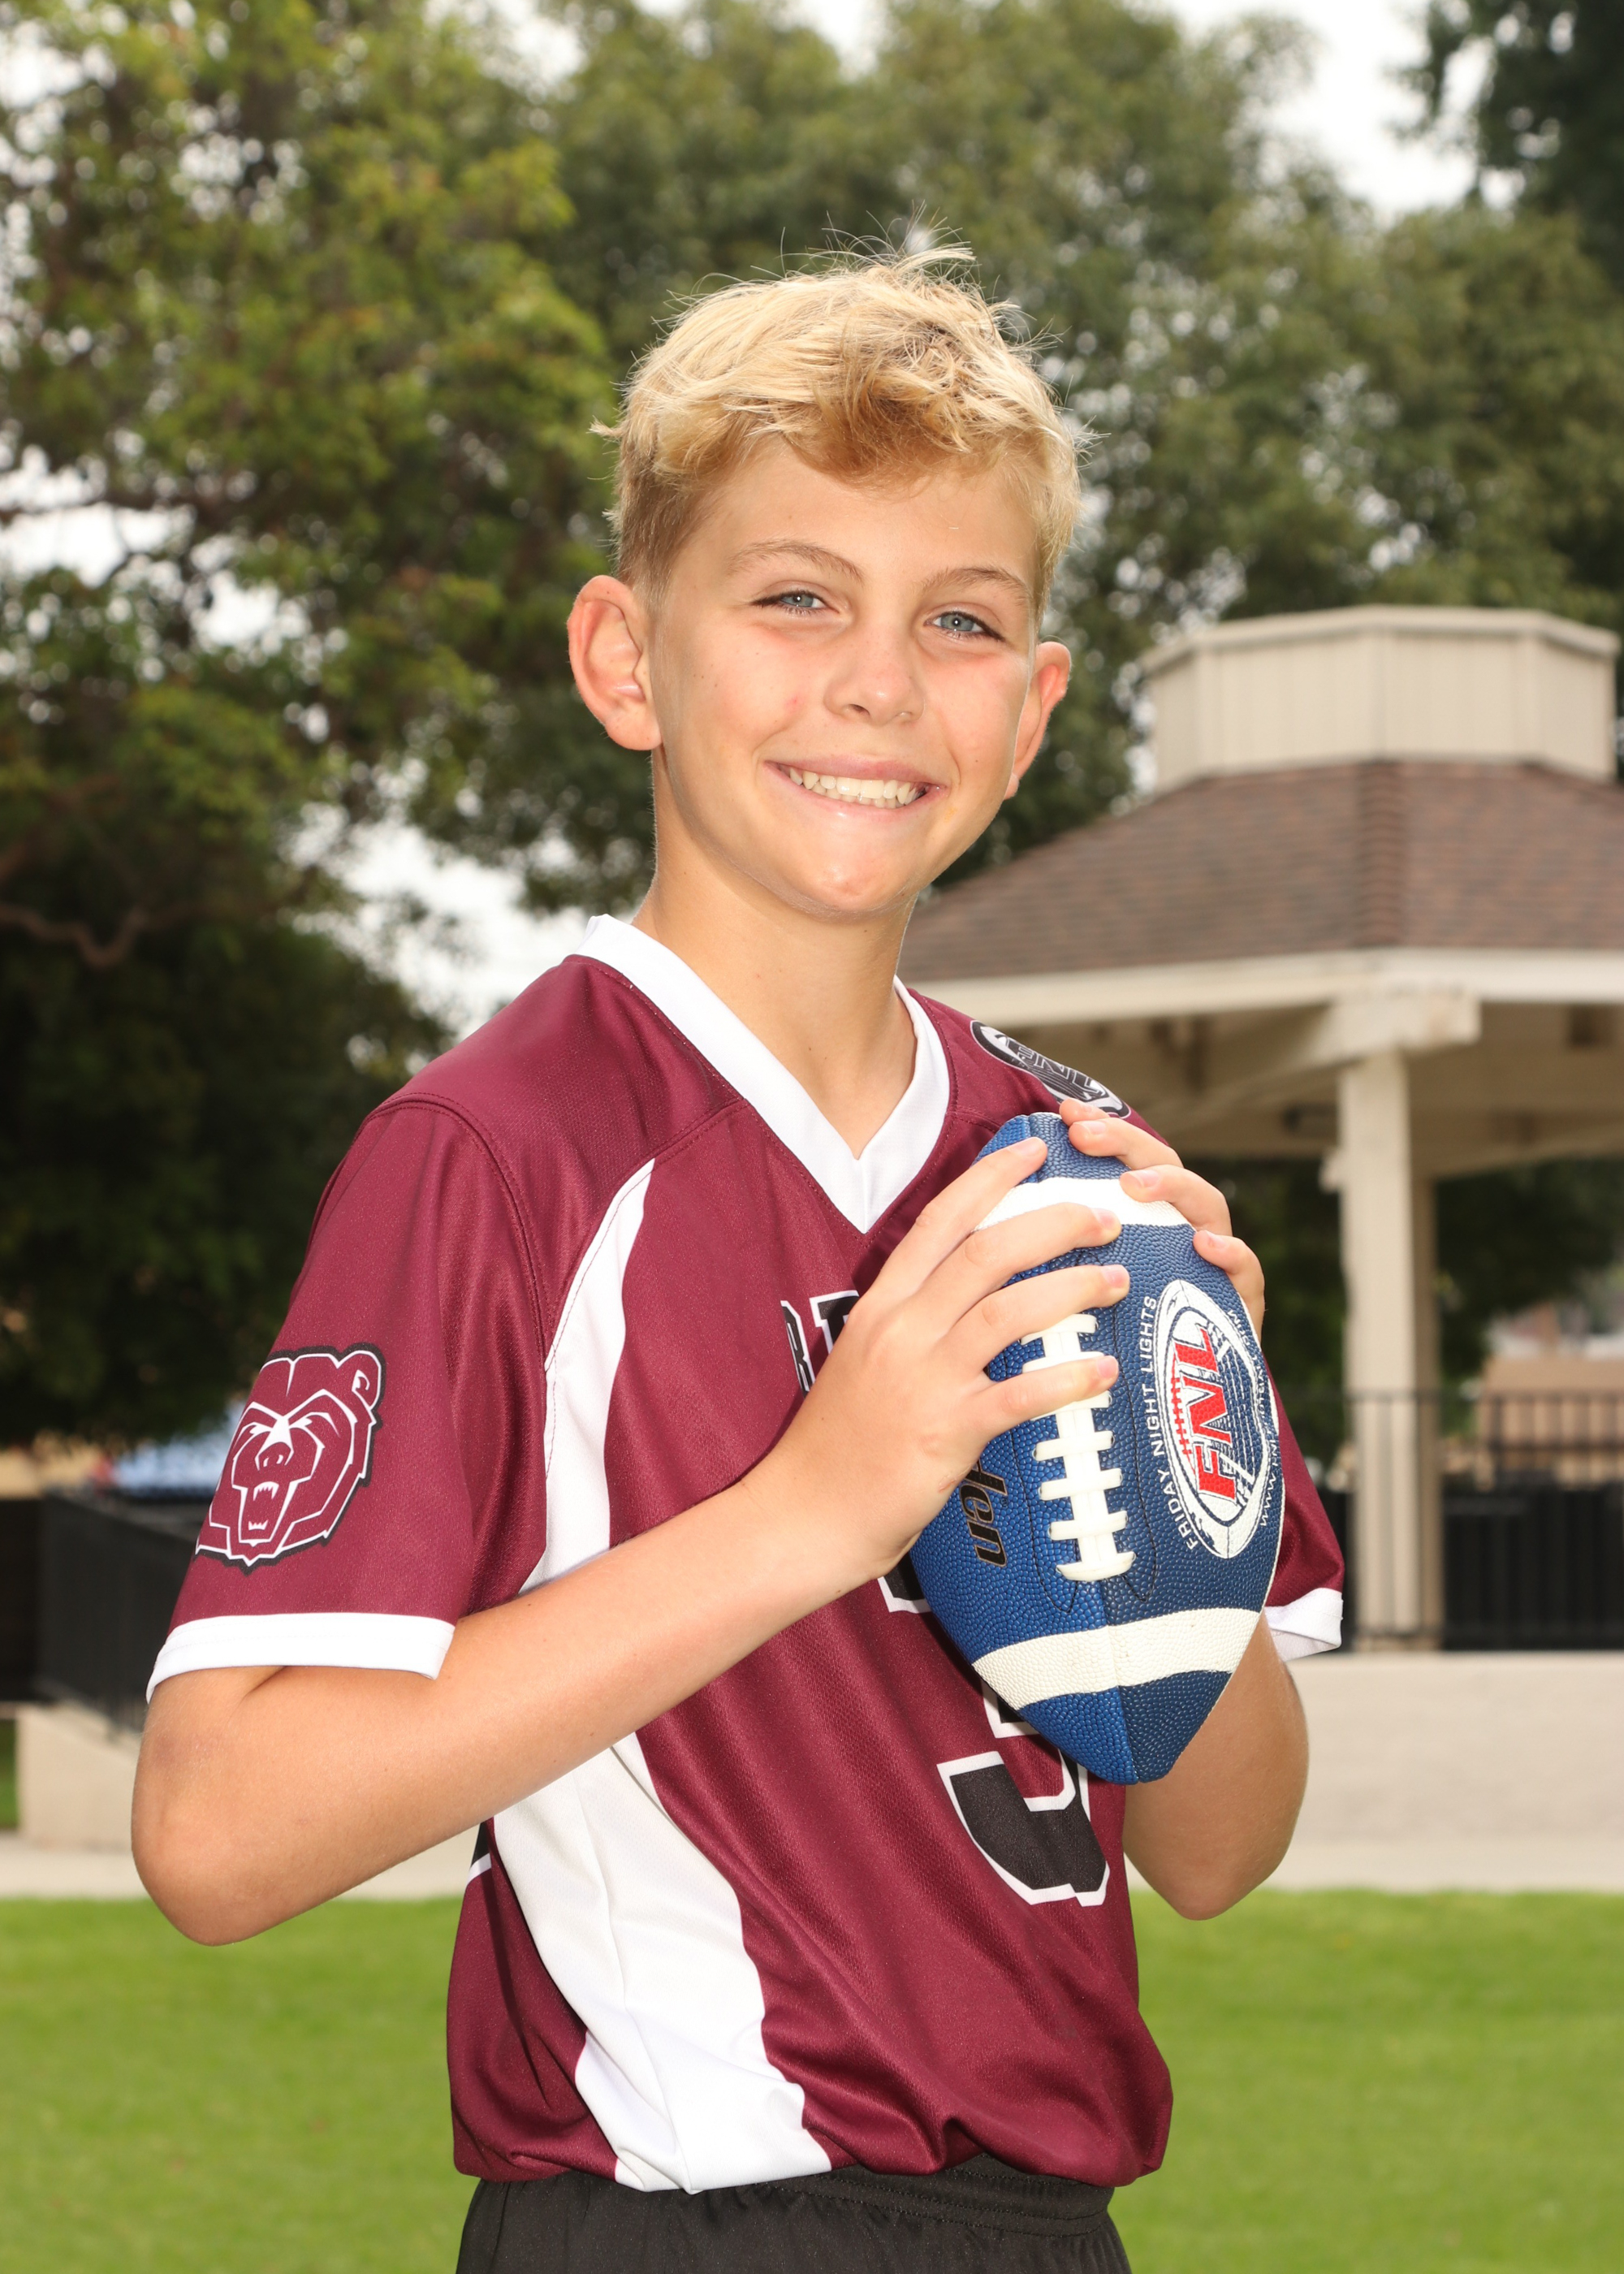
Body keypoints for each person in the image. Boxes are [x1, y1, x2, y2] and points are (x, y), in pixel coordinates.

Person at [134, 254, 1343, 2274]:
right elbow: (217, 1828)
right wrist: (816, 1506)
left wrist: (1185, 1461)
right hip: (688, 2220)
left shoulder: (1073, 1171)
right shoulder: (499, 1151)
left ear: (1031, 712)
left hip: (1049, 2229)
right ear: (626, 659)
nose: (878, 681)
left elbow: (1222, 1842)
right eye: (796, 597)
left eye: (960, 619)